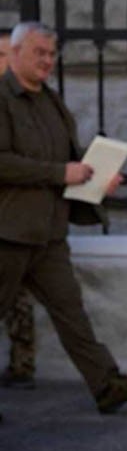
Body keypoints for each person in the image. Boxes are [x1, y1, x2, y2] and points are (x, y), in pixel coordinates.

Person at [0, 21, 127, 415]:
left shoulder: (51, 100)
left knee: (72, 314)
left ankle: (107, 385)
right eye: (39, 52)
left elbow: (68, 160)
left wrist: (96, 177)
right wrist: (60, 173)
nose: (47, 61)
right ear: (14, 52)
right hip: (9, 233)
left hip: (49, 234)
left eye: (52, 54)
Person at [0, 30, 40, 391]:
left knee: (21, 308)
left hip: (25, 226)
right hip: (10, 226)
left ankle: (105, 381)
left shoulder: (37, 99)